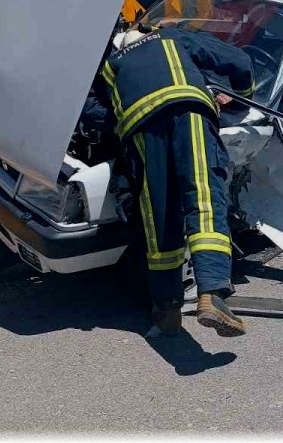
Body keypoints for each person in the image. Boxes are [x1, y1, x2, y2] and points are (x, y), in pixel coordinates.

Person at [101, 24, 256, 338]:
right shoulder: (171, 37)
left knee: (159, 219)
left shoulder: (109, 66)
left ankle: (166, 310)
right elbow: (239, 62)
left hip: (138, 132)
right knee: (203, 198)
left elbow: (95, 111)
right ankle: (212, 294)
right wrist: (240, 101)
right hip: (187, 111)